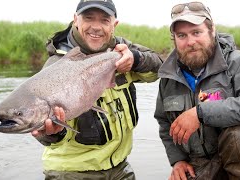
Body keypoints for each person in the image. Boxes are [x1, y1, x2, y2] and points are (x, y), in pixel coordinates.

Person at [31, 0, 162, 179]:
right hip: (71, 173)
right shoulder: (56, 67)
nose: (96, 27)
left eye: (104, 20)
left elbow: (159, 68)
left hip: (120, 167)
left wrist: (136, 59)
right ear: (75, 20)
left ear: (114, 25)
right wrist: (53, 133)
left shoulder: (121, 50)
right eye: (89, 18)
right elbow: (47, 138)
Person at [154, 1, 240, 179]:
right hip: (199, 165)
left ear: (212, 30)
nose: (190, 42)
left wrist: (201, 113)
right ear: (174, 39)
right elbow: (164, 123)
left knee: (239, 137)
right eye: (182, 35)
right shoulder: (168, 78)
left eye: (196, 32)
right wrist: (178, 160)